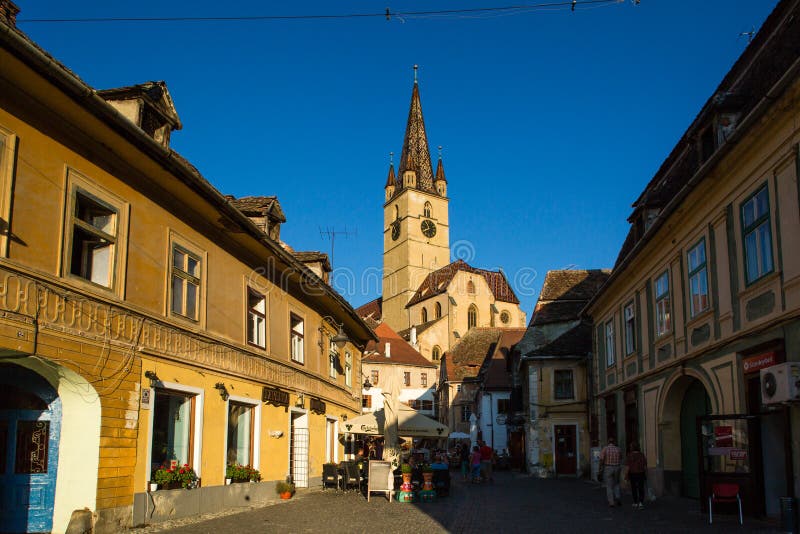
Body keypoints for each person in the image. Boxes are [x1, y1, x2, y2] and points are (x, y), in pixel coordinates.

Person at [599, 436, 622, 507]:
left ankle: (611, 502)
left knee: (609, 485)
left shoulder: (605, 449)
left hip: (608, 467)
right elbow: (621, 457)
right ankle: (617, 497)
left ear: (608, 442)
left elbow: (602, 459)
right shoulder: (618, 449)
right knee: (616, 483)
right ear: (614, 442)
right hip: (617, 467)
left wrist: (600, 468)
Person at [626, 442, 648, 510]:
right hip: (641, 473)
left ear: (632, 448)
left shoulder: (629, 455)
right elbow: (645, 465)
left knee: (634, 488)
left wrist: (626, 474)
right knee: (641, 487)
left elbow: (628, 467)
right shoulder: (642, 455)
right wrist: (645, 473)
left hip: (632, 473)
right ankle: (641, 502)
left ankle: (635, 502)